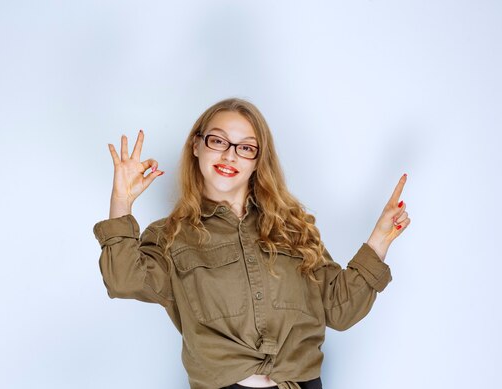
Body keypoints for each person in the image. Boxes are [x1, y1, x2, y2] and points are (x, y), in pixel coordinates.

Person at [92, 98, 411, 389]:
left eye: (245, 147)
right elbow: (122, 280)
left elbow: (340, 311)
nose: (230, 155)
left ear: (258, 160)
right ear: (196, 146)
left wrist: (379, 240)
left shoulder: (292, 228)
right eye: (217, 141)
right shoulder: (170, 235)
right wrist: (121, 201)